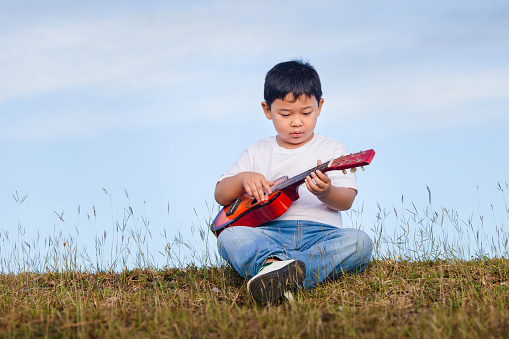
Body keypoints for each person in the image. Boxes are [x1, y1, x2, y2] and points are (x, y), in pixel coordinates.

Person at [214, 60, 372, 304]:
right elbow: (221, 195)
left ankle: (276, 272)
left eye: (306, 113)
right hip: (269, 235)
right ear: (267, 110)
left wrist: (326, 192)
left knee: (360, 243)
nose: (297, 122)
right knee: (230, 236)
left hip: (320, 236)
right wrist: (245, 178)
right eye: (285, 114)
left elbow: (346, 200)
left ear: (320, 106)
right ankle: (275, 266)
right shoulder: (258, 151)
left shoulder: (332, 149)